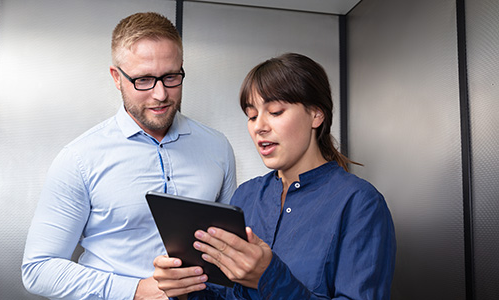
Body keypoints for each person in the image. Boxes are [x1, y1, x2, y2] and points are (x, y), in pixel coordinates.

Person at [22, 12, 237, 300]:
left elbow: (229, 253)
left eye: (171, 77)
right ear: (116, 78)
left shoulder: (218, 147)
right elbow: (38, 270)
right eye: (144, 80)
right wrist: (136, 291)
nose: (160, 94)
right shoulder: (79, 159)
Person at [153, 53, 396, 299]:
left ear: (316, 115)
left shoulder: (360, 203)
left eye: (276, 111)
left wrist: (268, 278)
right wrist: (185, 289)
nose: (259, 126)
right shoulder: (246, 195)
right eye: (252, 115)